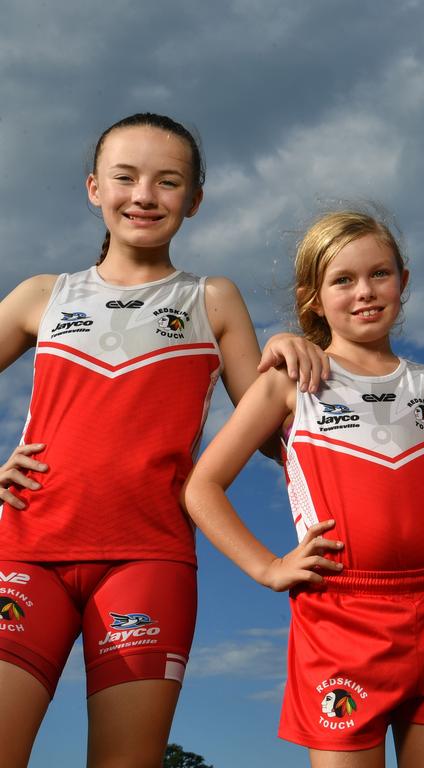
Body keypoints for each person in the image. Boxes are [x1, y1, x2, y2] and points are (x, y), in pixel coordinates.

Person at [0, 112, 326, 768]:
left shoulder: (213, 299)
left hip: (148, 561)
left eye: (168, 181)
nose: (144, 195)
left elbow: (267, 434)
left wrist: (300, 353)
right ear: (95, 188)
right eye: (125, 177)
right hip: (26, 550)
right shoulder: (44, 295)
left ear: (194, 200)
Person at [183, 210, 424, 768]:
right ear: (313, 296)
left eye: (380, 274)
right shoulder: (290, 381)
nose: (365, 292)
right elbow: (202, 486)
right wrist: (268, 567)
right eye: (343, 280)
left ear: (405, 279)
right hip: (341, 615)